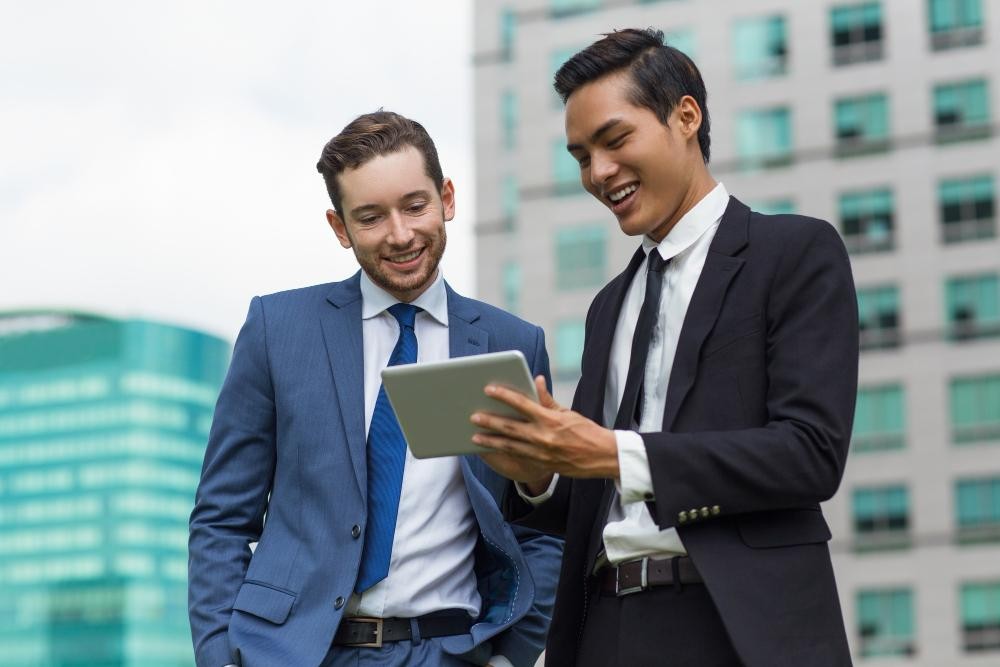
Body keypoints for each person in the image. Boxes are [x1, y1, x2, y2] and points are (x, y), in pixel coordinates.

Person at [472, 29, 859, 667]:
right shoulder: (607, 307)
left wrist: (614, 452)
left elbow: (811, 453)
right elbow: (595, 492)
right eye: (580, 156)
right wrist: (538, 473)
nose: (598, 173)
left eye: (615, 140)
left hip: (738, 628)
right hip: (606, 627)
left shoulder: (794, 253)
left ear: (686, 116)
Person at [188, 110, 562, 667]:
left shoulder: (513, 343)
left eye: (416, 205)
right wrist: (221, 657)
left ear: (448, 199)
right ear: (340, 228)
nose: (401, 234)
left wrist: (514, 654)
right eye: (370, 217)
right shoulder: (278, 329)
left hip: (451, 652)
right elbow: (221, 518)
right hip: (292, 654)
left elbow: (540, 527)